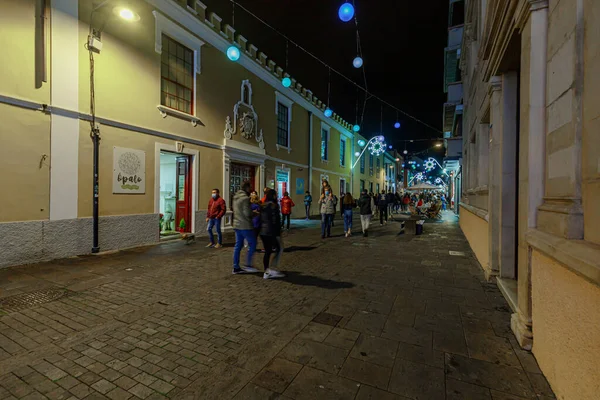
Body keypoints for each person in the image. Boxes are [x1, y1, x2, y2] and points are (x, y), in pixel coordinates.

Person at [232, 180, 258, 274]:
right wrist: (254, 213)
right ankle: (248, 264)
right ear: (247, 188)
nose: (250, 190)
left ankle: (236, 267)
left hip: (236, 224)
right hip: (245, 225)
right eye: (250, 187)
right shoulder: (245, 198)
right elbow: (247, 213)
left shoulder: (235, 196)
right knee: (253, 243)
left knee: (238, 246)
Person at [259, 189, 285, 279]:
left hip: (263, 231)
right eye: (276, 195)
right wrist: (278, 232)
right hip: (271, 231)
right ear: (273, 196)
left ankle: (266, 271)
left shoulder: (263, 205)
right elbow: (275, 221)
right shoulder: (274, 206)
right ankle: (272, 269)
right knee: (279, 248)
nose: (277, 196)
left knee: (268, 251)